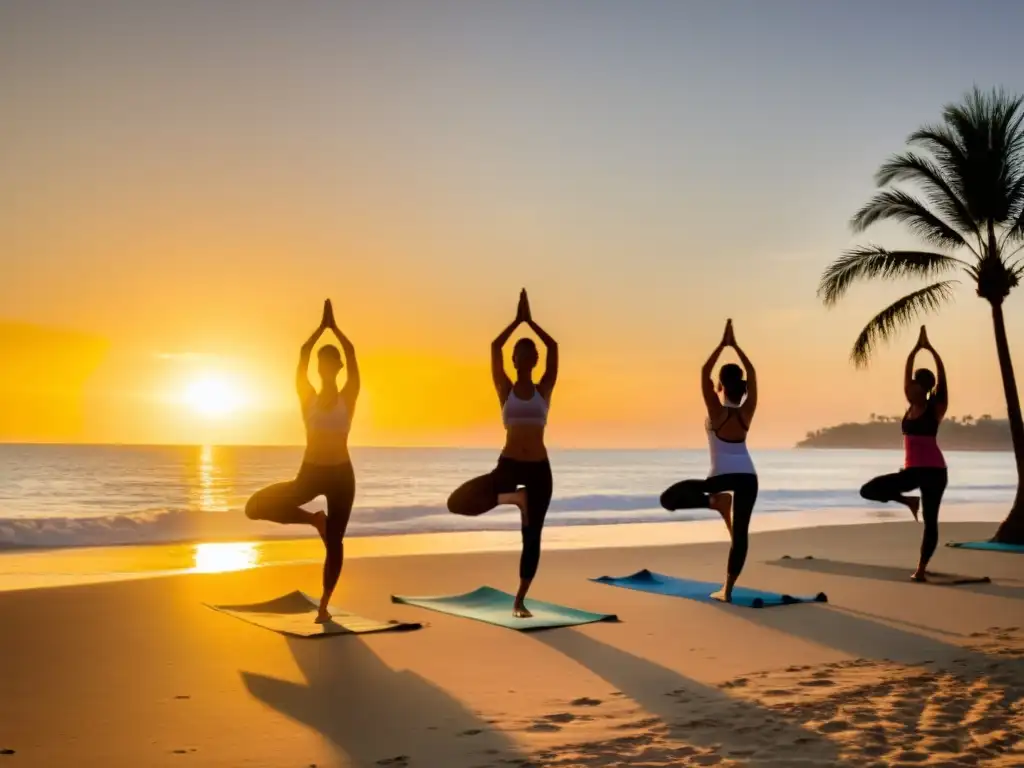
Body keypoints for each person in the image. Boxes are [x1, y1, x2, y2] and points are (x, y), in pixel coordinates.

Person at [244, 299, 360, 622]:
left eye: (331, 362)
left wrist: (334, 329)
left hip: (341, 476)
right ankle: (314, 520)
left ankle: (324, 605)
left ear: (336, 368)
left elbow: (352, 355)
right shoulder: (306, 396)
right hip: (310, 474)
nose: (326, 367)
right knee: (254, 507)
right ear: (319, 368)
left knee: (335, 542)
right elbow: (302, 356)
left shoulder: (348, 395)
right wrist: (320, 330)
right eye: (322, 363)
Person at [447, 289, 558, 618]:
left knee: (532, 535)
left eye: (529, 357)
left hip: (539, 468)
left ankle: (520, 600)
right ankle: (515, 499)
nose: (524, 361)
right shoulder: (505, 389)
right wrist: (516, 321)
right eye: (519, 357)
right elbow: (495, 347)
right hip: (509, 466)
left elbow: (553, 347)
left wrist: (531, 322)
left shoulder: (544, 389)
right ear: (514, 362)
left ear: (534, 361)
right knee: (458, 502)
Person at [659, 319, 758, 603]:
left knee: (669, 498)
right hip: (748, 477)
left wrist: (722, 345)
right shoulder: (746, 411)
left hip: (721, 478)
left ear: (719, 386)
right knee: (740, 535)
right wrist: (736, 347)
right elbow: (751, 372)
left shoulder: (717, 412)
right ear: (742, 386)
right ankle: (727, 590)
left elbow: (703, 372)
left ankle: (715, 502)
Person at [860, 325, 948, 582]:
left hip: (934, 472)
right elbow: (906, 376)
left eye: (915, 386)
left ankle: (920, 569)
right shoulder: (910, 406)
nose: (910, 389)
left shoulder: (936, 408)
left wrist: (932, 352)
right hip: (912, 471)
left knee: (931, 522)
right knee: (869, 489)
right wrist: (915, 350)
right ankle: (909, 501)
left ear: (924, 389)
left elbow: (942, 381)